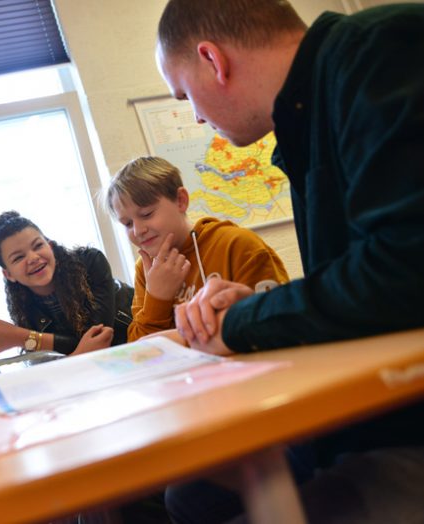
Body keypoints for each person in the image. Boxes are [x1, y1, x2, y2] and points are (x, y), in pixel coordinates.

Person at [156, 1, 424, 522]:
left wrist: (245, 322)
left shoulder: (378, 52)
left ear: (213, 59)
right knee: (191, 495)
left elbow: (404, 269)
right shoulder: (308, 115)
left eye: (185, 94)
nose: (195, 115)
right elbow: (363, 271)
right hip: (384, 396)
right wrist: (263, 304)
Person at [104, 156, 289, 342]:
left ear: (181, 201)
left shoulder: (237, 245)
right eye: (127, 223)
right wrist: (157, 298)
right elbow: (140, 350)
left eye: (146, 214)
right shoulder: (146, 269)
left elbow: (278, 326)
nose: (138, 230)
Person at [0, 211, 129, 356]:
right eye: (18, 257)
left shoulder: (90, 262)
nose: (33, 258)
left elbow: (100, 339)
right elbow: (72, 355)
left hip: (136, 345)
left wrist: (24, 338)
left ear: (50, 246)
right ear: (9, 275)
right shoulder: (23, 304)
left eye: (38, 246)